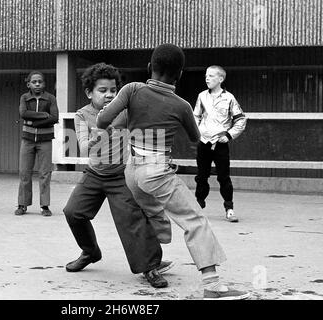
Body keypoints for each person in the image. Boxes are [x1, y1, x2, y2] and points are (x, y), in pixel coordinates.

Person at [97, 44, 250, 300]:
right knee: (195, 221)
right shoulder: (181, 105)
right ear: (179, 75)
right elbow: (194, 138)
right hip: (157, 172)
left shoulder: (132, 89)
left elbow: (104, 121)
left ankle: (153, 259)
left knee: (152, 211)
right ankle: (212, 285)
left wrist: (125, 117)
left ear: (149, 68)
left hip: (132, 171)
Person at [64, 63, 173, 288]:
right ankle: (90, 252)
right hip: (94, 174)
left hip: (121, 175)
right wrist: (98, 135)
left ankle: (150, 267)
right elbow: (84, 148)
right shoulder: (82, 115)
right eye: (102, 90)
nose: (108, 95)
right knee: (73, 212)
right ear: (89, 93)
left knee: (131, 220)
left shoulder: (123, 111)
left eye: (113, 90)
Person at [193, 65, 247, 223]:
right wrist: (197, 133)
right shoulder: (202, 96)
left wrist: (229, 135)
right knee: (201, 177)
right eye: (206, 76)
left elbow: (241, 120)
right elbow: (195, 117)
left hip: (220, 144)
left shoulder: (229, 98)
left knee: (224, 177)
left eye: (211, 76)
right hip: (204, 143)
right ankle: (199, 206)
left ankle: (229, 208)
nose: (207, 78)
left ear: (220, 79)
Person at [14, 71, 59, 216]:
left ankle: (44, 206)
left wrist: (34, 121)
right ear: (29, 84)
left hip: (45, 141)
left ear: (44, 83)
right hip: (27, 140)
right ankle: (22, 204)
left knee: (45, 173)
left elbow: (54, 117)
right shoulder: (24, 98)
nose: (37, 84)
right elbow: (23, 114)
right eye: (34, 82)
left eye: (40, 81)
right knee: (24, 172)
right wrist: (45, 115)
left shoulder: (51, 98)